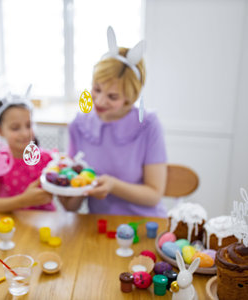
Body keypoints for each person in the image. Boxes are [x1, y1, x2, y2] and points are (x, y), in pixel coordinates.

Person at [59, 27, 168, 217]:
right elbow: (70, 207)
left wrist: (113, 185)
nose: (100, 101)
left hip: (145, 225)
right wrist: (66, 183)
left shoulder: (148, 125)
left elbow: (154, 195)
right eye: (96, 89)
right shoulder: (79, 125)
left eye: (112, 96)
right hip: (99, 226)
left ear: (130, 97)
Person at [0, 95, 54, 212]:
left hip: (45, 223)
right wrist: (24, 200)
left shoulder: (48, 159)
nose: (25, 133)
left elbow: (68, 203)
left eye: (29, 125)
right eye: (15, 128)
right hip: (10, 224)